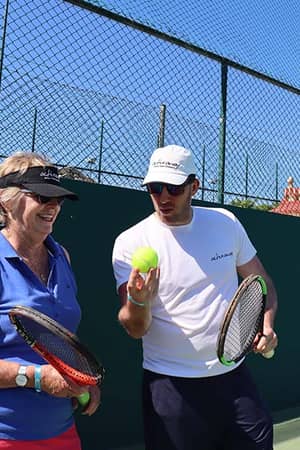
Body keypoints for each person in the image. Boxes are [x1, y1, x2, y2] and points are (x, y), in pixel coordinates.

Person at [112, 144, 278, 450]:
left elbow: (262, 283)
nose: (162, 197)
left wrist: (266, 325)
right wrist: (138, 301)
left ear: (194, 186)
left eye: (173, 188)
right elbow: (136, 329)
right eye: (154, 187)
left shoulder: (225, 223)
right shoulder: (130, 243)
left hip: (234, 378)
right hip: (171, 386)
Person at [0, 151, 101, 450]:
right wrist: (37, 378)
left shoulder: (62, 256)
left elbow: (60, 337)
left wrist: (81, 379)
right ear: (6, 200)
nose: (53, 206)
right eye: (41, 197)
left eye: (57, 199)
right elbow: (43, 373)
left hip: (62, 432)